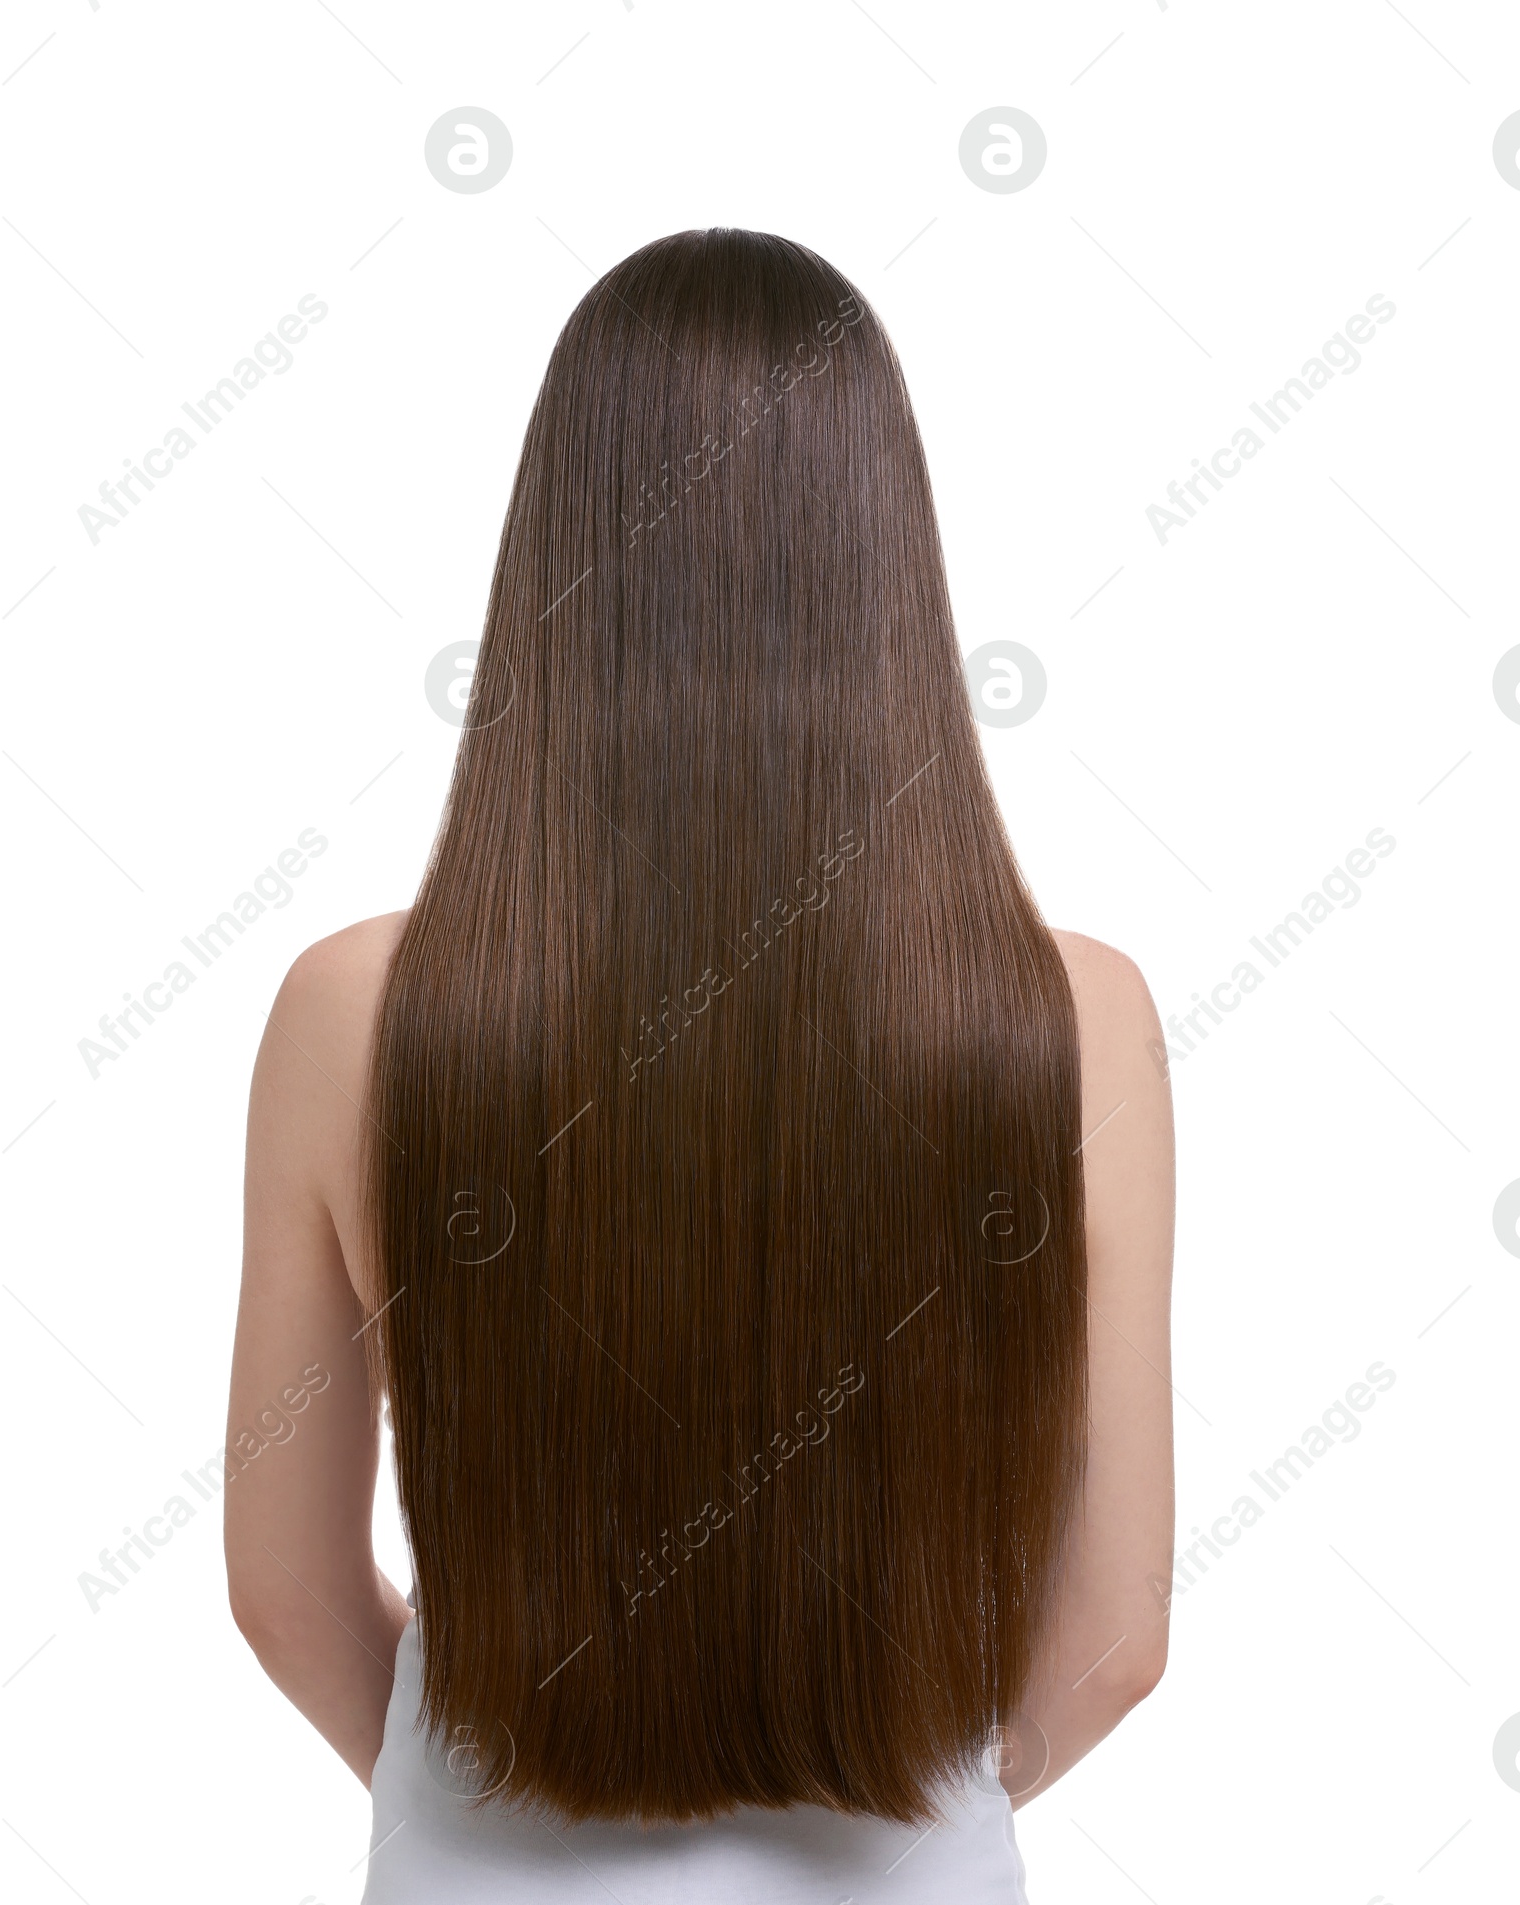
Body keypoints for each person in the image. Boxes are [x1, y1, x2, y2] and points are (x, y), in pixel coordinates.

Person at [224, 228, 1175, 1903]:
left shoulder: (354, 1014)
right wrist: (932, 1798)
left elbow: (284, 1588)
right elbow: (1116, 1639)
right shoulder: (1069, 1020)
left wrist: (475, 1789)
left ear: (557, 551)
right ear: (890, 564)